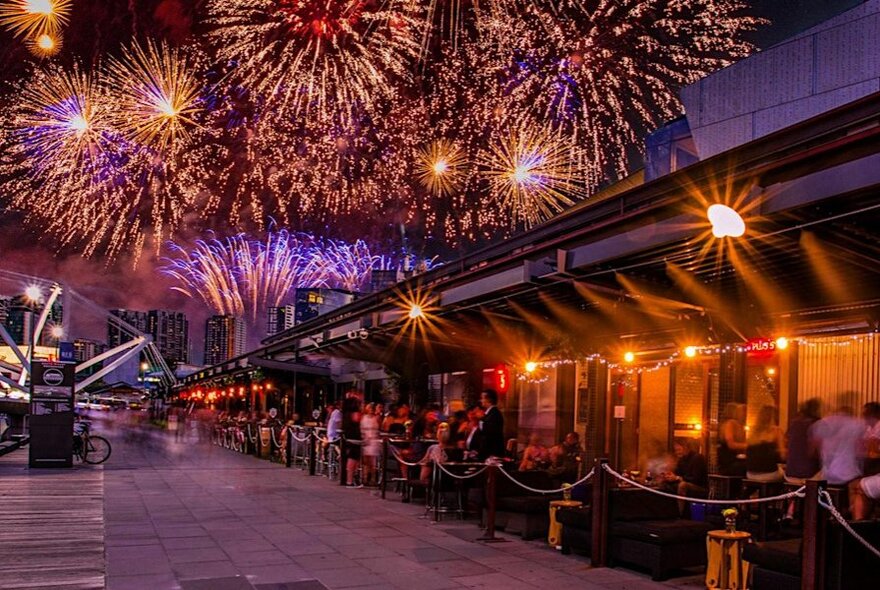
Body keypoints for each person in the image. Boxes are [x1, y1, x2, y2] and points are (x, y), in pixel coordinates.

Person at [812, 395, 866, 517]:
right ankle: (855, 521)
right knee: (862, 487)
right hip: (848, 476)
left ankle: (826, 515)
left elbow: (813, 451)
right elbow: (860, 451)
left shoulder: (822, 423)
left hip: (826, 475)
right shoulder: (858, 424)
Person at [663, 438, 708, 514]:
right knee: (665, 483)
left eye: (679, 450)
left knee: (682, 485)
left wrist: (678, 478)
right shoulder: (682, 460)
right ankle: (667, 511)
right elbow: (677, 473)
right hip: (685, 482)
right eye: (676, 450)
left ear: (686, 448)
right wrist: (669, 475)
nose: (677, 452)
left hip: (699, 487)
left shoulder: (698, 458)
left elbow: (696, 479)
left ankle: (680, 514)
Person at [746, 405, 785, 482]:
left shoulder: (753, 432)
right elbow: (783, 456)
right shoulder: (776, 431)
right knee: (785, 475)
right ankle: (775, 494)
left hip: (750, 473)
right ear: (773, 417)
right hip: (769, 473)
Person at [718, 402, 747, 476]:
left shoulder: (739, 426)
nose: (744, 415)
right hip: (729, 463)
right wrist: (748, 445)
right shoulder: (730, 424)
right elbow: (731, 444)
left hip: (733, 461)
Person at [342, 396, 362, 488]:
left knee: (354, 459)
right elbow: (358, 419)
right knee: (353, 459)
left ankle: (351, 480)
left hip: (350, 437)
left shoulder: (346, 414)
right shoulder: (354, 413)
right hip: (354, 439)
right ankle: (349, 481)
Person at [478, 389, 505, 459]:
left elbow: (490, 433)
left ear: (489, 400)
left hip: (492, 451)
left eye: (482, 398)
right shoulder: (488, 414)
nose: (481, 401)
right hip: (486, 451)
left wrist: (481, 419)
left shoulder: (494, 414)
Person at [360, 403, 381, 486]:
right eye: (369, 408)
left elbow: (378, 429)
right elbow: (362, 429)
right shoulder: (363, 418)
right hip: (366, 440)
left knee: (373, 461)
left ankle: (373, 479)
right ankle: (364, 478)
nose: (371, 410)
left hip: (373, 440)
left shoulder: (375, 418)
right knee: (365, 461)